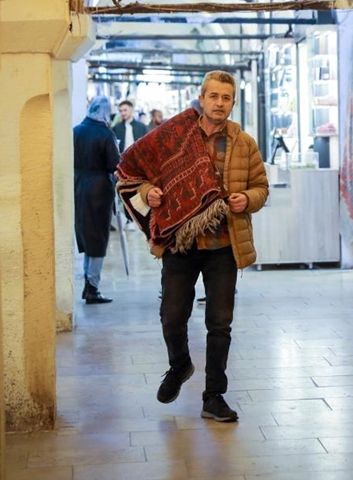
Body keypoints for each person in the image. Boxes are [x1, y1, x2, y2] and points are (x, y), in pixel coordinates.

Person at [116, 71, 269, 422]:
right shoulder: (174, 136)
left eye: (226, 98)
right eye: (213, 96)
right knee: (171, 314)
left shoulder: (243, 143)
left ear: (232, 102)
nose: (219, 103)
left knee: (220, 324)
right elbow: (138, 174)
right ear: (201, 99)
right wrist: (146, 193)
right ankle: (180, 365)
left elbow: (261, 187)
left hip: (224, 245)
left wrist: (248, 198)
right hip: (180, 243)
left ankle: (214, 396)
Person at [74, 96, 120, 304]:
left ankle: (88, 283)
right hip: (99, 189)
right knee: (98, 237)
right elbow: (114, 165)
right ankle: (92, 287)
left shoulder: (76, 131)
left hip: (79, 185)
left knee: (86, 234)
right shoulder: (105, 133)